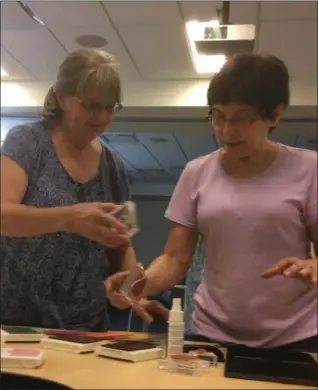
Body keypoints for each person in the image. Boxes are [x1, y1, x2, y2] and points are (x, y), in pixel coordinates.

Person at [107, 53, 318, 350]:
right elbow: (175, 258)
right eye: (218, 116)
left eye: (242, 118)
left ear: (275, 115)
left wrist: (313, 264)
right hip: (211, 332)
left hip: (295, 336)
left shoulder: (309, 169)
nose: (226, 130)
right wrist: (131, 286)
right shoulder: (196, 172)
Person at [1, 48, 167, 331]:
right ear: (61, 98)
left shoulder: (113, 166)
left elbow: (122, 241)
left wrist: (129, 288)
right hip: (17, 323)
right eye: (91, 105)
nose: (101, 117)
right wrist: (71, 218)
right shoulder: (27, 141)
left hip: (85, 326)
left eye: (110, 107)